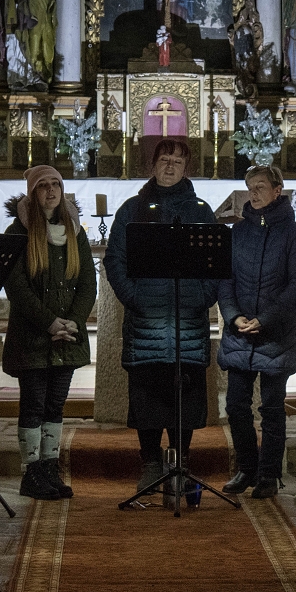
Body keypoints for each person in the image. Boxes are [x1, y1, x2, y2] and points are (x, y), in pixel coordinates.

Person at [102, 138, 219, 494]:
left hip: (188, 320)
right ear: (152, 165)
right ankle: (151, 464)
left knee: (186, 397)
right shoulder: (132, 210)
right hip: (146, 320)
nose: (170, 166)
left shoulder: (200, 211)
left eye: (177, 161)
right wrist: (134, 296)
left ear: (186, 169)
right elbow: (115, 260)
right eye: (164, 159)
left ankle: (181, 463)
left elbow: (216, 264)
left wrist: (203, 296)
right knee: (147, 397)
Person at [2, 165, 97, 500]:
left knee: (55, 405)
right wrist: (49, 323)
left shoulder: (74, 229)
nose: (51, 190)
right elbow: (16, 286)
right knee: (33, 405)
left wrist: (74, 321)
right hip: (32, 336)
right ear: (33, 193)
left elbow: (88, 281)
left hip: (67, 336)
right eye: (43, 185)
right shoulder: (18, 231)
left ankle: (49, 468)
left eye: (56, 184)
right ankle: (31, 473)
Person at [217, 165, 296, 499]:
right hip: (240, 333)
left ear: (277, 190)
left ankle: (269, 474)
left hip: (277, 335)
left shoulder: (294, 233)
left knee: (271, 408)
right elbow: (224, 280)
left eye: (260, 186)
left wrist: (266, 318)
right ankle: (247, 467)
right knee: (236, 406)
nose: (254, 193)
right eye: (250, 187)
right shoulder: (238, 232)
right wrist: (233, 316)